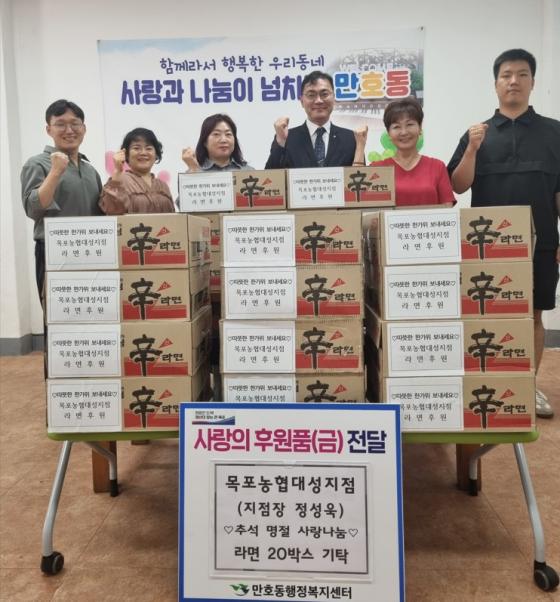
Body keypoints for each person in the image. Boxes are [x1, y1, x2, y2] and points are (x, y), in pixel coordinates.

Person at [448, 48, 560, 419]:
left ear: (532, 82)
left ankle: (528, 386)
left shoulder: (554, 132)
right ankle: (489, 383)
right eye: (506, 75)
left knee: (533, 316)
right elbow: (457, 185)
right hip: (486, 248)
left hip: (541, 243)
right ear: (495, 83)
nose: (514, 81)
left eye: (522, 74)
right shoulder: (477, 133)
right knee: (485, 317)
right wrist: (472, 149)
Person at [21, 99, 102, 298]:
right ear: (49, 129)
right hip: (55, 251)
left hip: (93, 250)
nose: (69, 130)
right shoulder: (37, 163)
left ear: (84, 128)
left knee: (91, 310)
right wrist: (56, 171)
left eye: (75, 124)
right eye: (60, 124)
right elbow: (33, 209)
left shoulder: (90, 170)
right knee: (58, 311)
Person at [355, 97, 454, 207]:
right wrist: (360, 146)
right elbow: (355, 198)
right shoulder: (378, 168)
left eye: (409, 124)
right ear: (388, 133)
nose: (404, 132)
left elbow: (448, 209)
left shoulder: (437, 167)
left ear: (420, 128)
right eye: (396, 127)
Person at [265, 70, 364, 169]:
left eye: (324, 94)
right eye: (311, 95)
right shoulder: (287, 138)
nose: (318, 101)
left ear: (334, 98)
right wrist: (280, 142)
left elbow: (361, 176)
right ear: (302, 101)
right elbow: (270, 176)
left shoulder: (351, 139)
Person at [100, 127, 174, 214]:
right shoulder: (119, 180)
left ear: (156, 154)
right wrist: (117, 172)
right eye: (136, 148)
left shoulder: (163, 186)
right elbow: (112, 211)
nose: (143, 153)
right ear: (126, 154)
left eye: (148, 148)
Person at [182, 114, 253, 172]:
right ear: (205, 142)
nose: (223, 140)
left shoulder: (248, 171)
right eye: (216, 134)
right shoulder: (193, 171)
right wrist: (194, 169)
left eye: (228, 134)